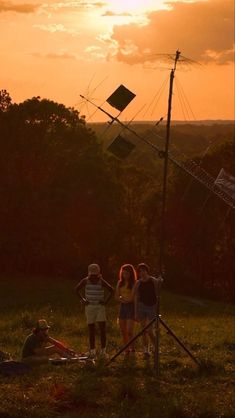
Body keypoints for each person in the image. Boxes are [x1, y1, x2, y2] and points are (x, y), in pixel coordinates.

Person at [75, 263, 113, 359]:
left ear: (98, 274)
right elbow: (76, 289)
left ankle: (103, 352)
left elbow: (111, 290)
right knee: (91, 330)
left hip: (100, 307)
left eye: (95, 275)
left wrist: (105, 302)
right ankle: (92, 351)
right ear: (89, 274)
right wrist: (83, 300)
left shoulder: (101, 281)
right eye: (92, 275)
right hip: (89, 307)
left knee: (102, 330)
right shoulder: (85, 281)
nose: (94, 277)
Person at [133, 263, 162, 358]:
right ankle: (146, 350)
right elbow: (136, 297)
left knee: (150, 330)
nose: (142, 273)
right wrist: (136, 312)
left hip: (152, 307)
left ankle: (155, 347)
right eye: (140, 271)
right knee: (144, 330)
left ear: (147, 271)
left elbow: (158, 288)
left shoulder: (152, 280)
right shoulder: (138, 283)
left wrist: (160, 280)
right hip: (142, 307)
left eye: (144, 270)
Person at [115, 264, 136, 355]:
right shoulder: (120, 283)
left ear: (130, 274)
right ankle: (126, 349)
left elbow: (133, 297)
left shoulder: (134, 283)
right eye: (123, 274)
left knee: (129, 330)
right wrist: (121, 299)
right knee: (123, 331)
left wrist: (127, 300)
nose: (125, 276)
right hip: (122, 306)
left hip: (131, 306)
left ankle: (132, 348)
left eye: (127, 274)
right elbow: (116, 295)